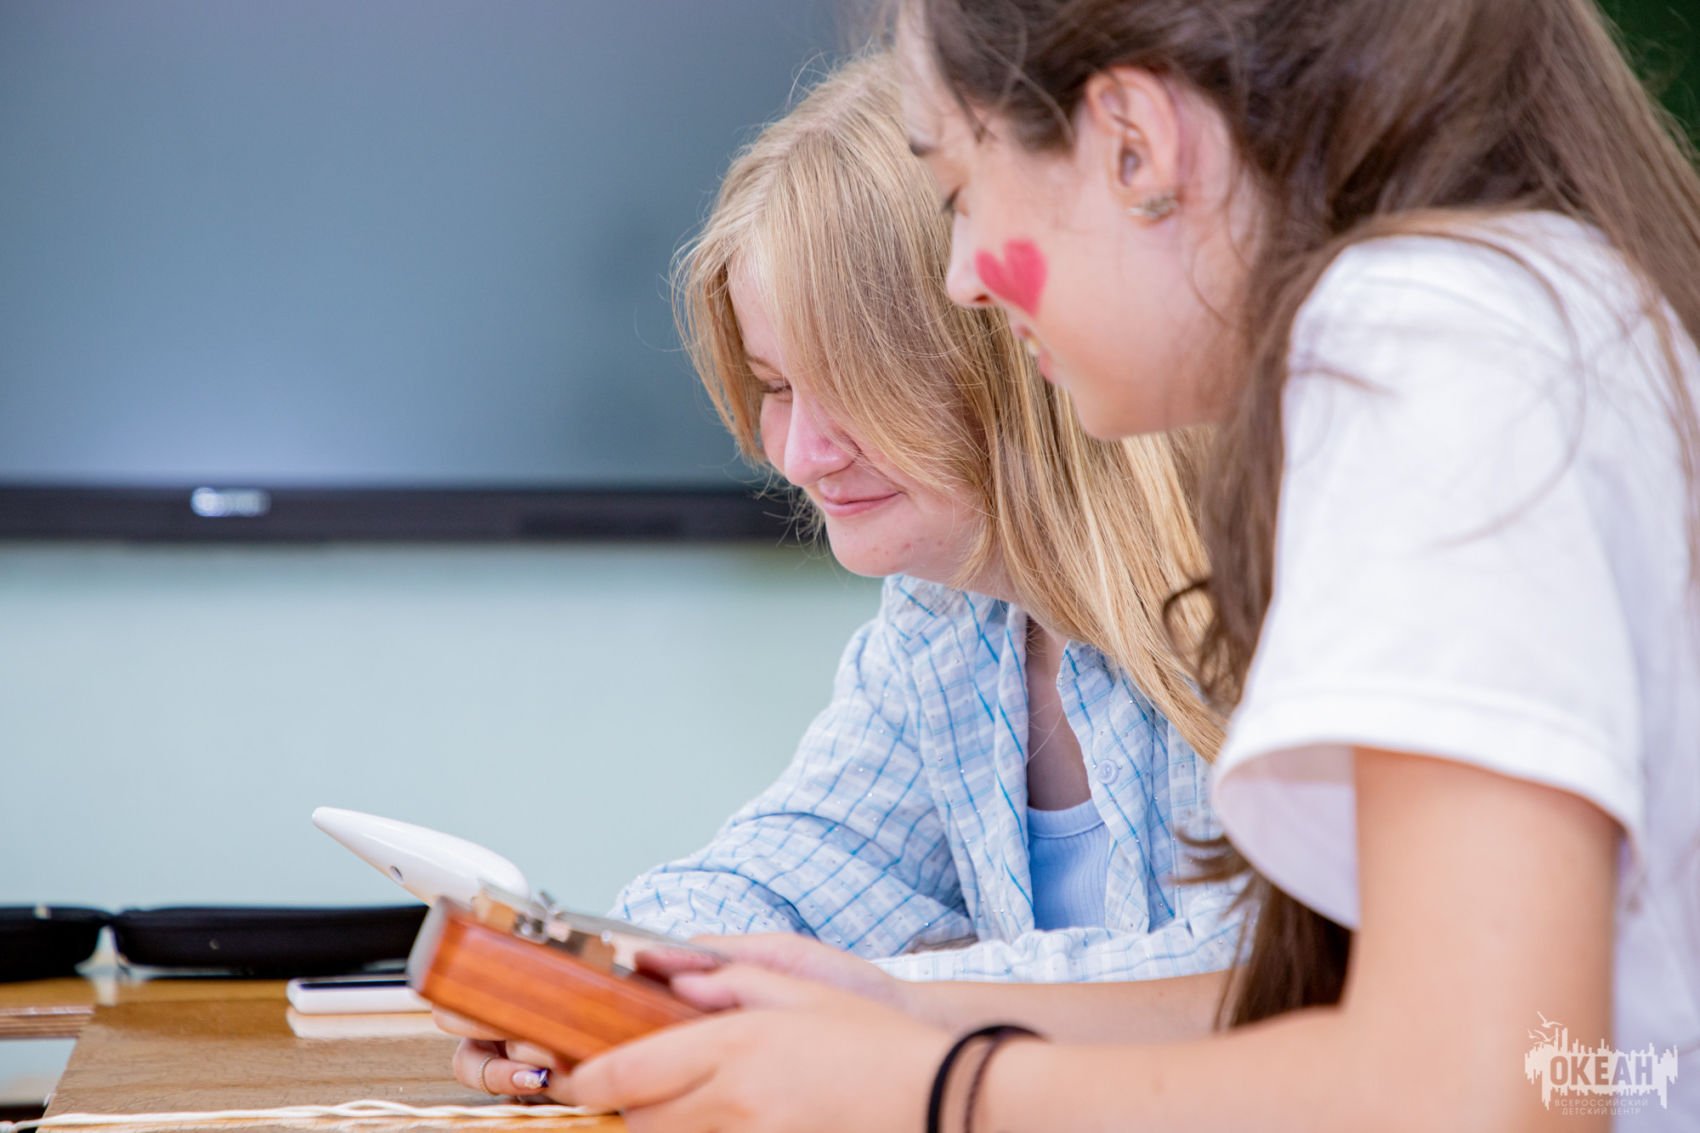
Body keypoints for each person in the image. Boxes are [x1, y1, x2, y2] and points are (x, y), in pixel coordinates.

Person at [525, 1, 1700, 1129]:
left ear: (1134, 145)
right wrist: (876, 1009)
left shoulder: (1423, 352)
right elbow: (1338, 1017)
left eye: (959, 193)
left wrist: (926, 1084)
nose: (963, 276)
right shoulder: (1498, 312)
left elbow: (1478, 1094)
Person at [446, 54, 1252, 1098]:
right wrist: (602, 990)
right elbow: (786, 871)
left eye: (854, 385)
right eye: (777, 387)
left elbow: (1262, 983)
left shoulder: (1247, 591)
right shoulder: (941, 622)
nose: (799, 454)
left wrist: (869, 1004)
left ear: (1002, 348)